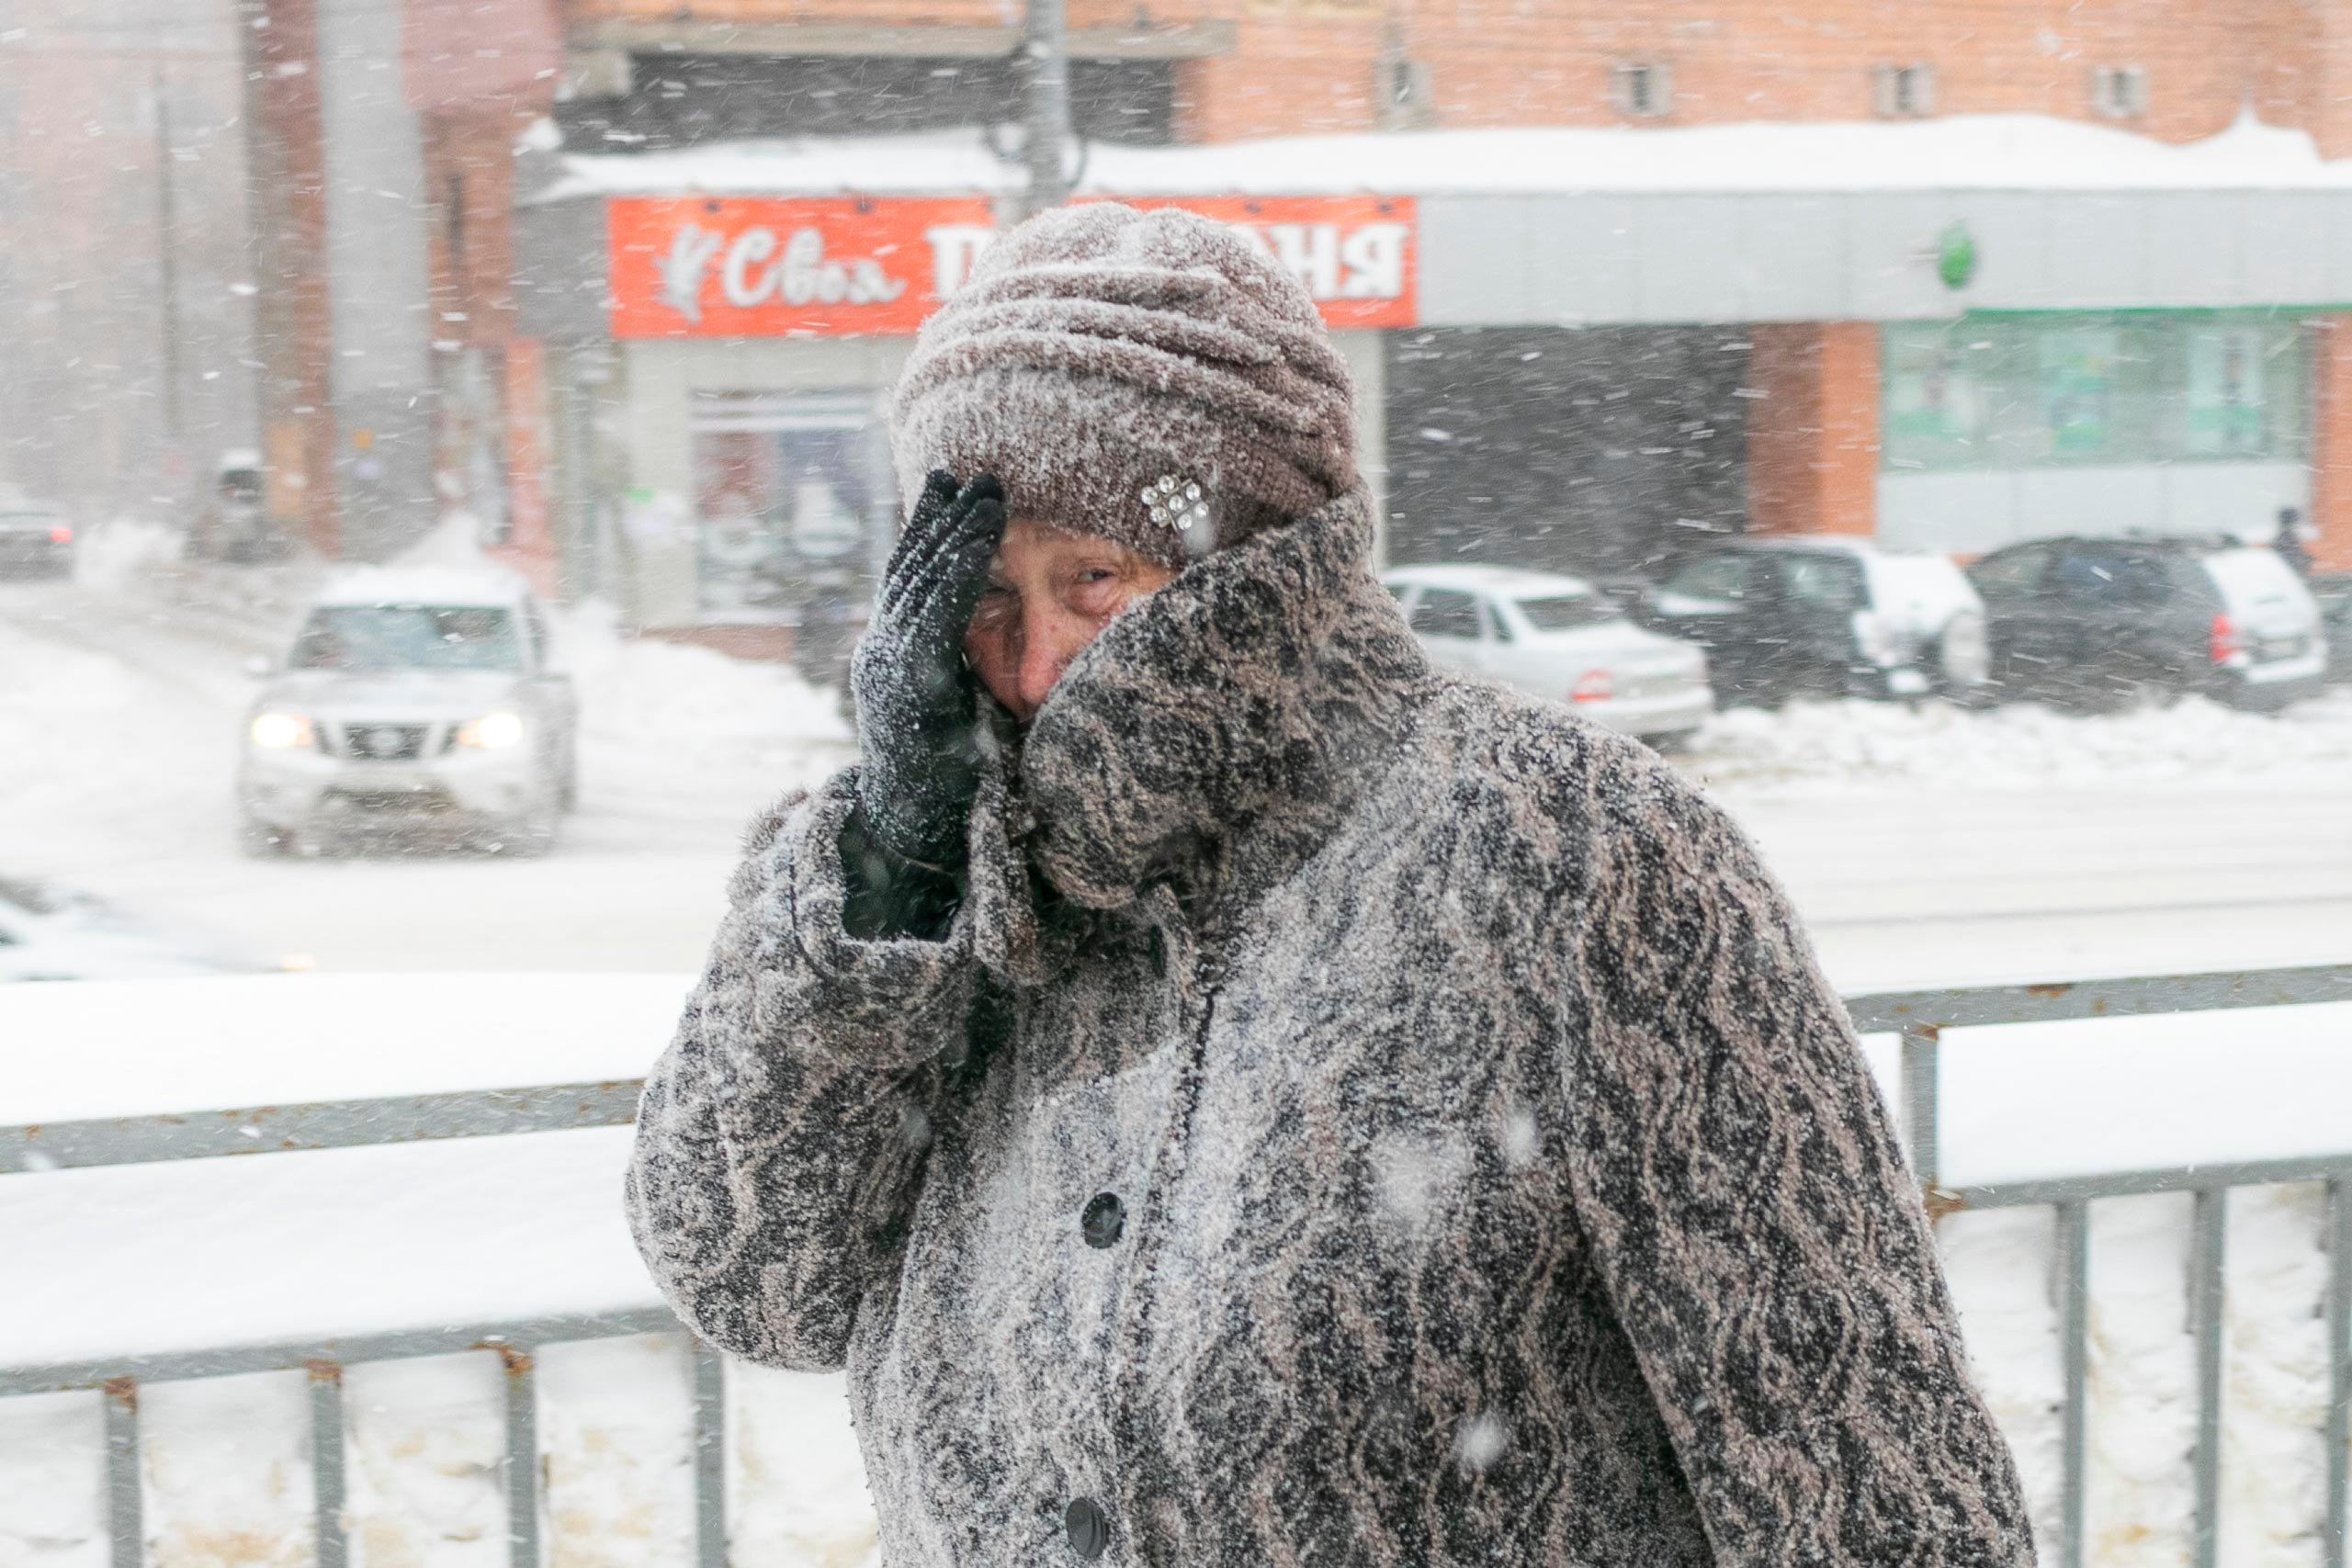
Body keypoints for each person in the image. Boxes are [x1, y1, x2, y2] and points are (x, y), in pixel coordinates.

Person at [626, 203, 2033, 1565]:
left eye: (1097, 574)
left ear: (1252, 557)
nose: (1038, 661)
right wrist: (896, 867)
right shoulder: (938, 881)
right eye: (987, 597)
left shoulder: (1583, 855)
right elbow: (752, 1280)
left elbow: (1867, 1469)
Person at [2275, 506, 2314, 578]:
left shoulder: (2284, 536)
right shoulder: (2287, 536)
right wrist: (2307, 560)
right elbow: (2292, 556)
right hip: (2290, 574)